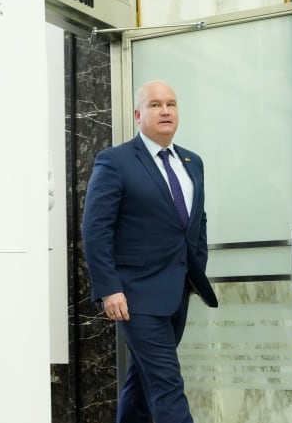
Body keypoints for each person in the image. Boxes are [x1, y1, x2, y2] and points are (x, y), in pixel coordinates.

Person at [82, 79, 217, 423]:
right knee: (166, 383)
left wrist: (194, 270)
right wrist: (109, 287)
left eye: (171, 104)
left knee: (142, 382)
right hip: (134, 296)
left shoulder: (192, 161)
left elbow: (196, 221)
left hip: (177, 291)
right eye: (156, 105)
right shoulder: (115, 161)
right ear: (138, 114)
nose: (166, 110)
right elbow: (96, 228)